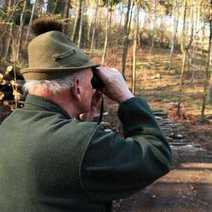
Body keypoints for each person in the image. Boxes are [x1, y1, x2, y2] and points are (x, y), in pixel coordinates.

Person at [0, 18, 171, 212]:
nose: (94, 87)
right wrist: (126, 97)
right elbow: (157, 155)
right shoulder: (82, 145)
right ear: (78, 88)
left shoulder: (9, 126)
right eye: (91, 81)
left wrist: (81, 121)